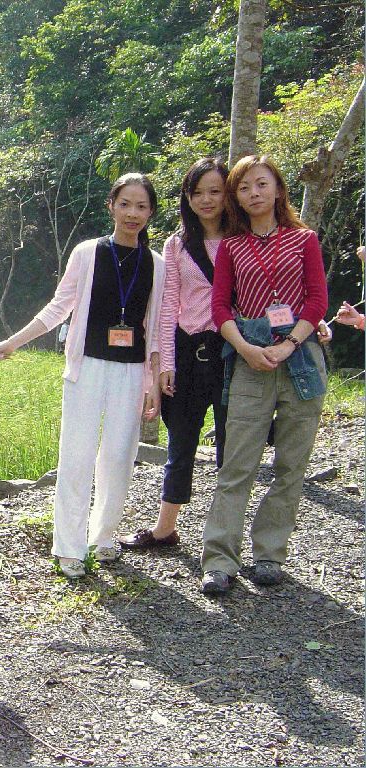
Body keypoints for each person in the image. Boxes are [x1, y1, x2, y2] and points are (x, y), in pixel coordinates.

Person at [0, 173, 164, 578]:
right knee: (77, 455)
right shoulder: (87, 253)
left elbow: (157, 328)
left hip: (132, 371)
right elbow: (58, 307)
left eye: (141, 206)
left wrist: (153, 382)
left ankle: (104, 537)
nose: (133, 213)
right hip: (87, 368)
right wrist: (13, 342)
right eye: (125, 204)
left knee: (120, 456)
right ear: (111, 206)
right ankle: (68, 546)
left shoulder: (157, 264)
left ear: (151, 212)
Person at [200, 155, 328, 595]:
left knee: (291, 464)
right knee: (237, 464)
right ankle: (219, 560)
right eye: (244, 187)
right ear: (236, 197)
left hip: (302, 360)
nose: (254, 193)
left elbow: (316, 300)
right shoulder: (231, 247)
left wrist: (289, 343)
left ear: (277, 189)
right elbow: (219, 308)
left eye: (261, 184)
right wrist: (247, 348)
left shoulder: (304, 239)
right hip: (250, 360)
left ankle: (270, 554)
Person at [120, 158, 230, 551]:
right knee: (180, 445)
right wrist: (165, 364)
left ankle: (222, 541)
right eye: (197, 192)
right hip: (186, 351)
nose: (206, 200)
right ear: (186, 197)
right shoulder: (177, 244)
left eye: (215, 191)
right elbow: (168, 308)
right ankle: (165, 529)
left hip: (232, 352)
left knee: (230, 450)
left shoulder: (243, 240)